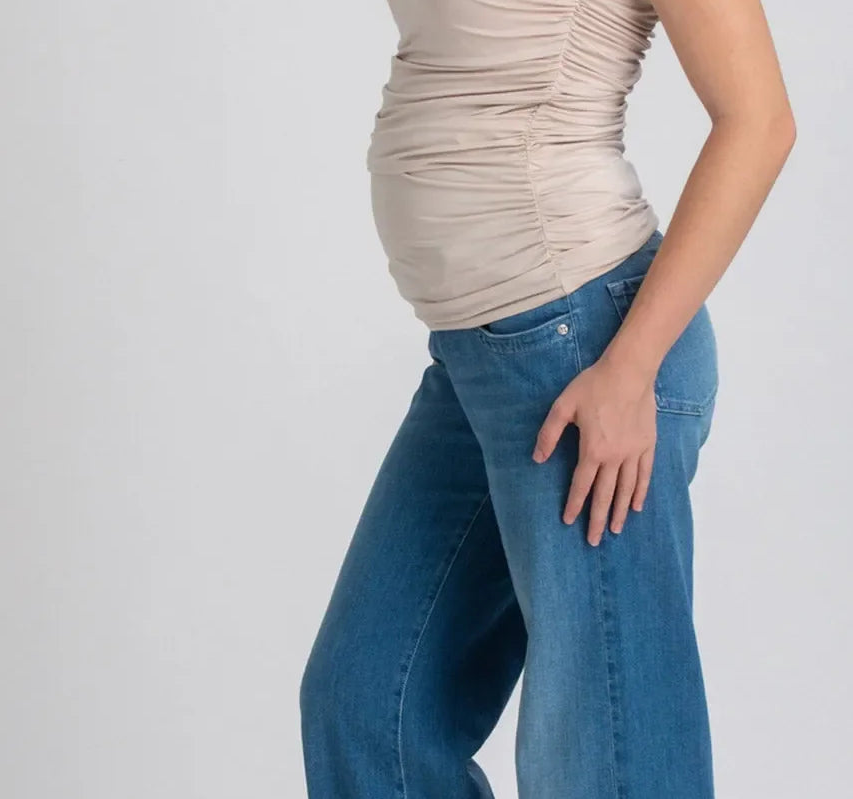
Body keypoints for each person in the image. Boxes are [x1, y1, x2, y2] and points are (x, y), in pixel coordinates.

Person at [298, 0, 794, 793]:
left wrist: (630, 370)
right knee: (370, 710)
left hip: (585, 352)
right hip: (477, 357)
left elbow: (760, 120)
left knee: (601, 763)